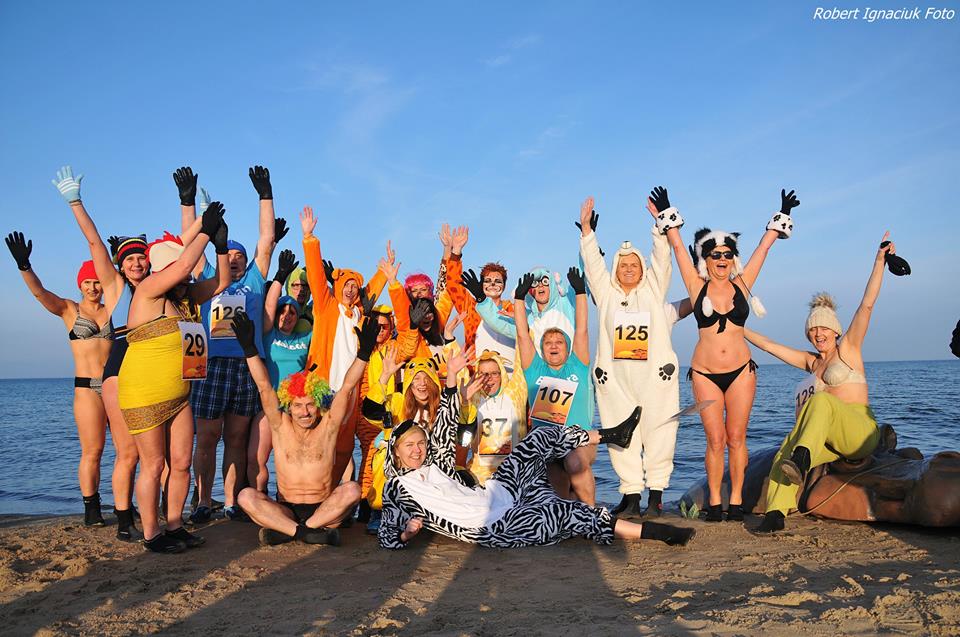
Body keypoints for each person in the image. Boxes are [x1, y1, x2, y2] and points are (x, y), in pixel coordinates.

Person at [379, 385, 695, 549]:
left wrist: (452, 384)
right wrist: (407, 534)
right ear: (395, 451)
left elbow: (446, 429)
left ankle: (611, 435)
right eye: (409, 446)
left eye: (420, 443)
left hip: (497, 491)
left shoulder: (435, 463)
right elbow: (387, 539)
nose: (417, 450)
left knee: (538, 438)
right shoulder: (397, 487)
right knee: (565, 512)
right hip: (493, 525)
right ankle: (658, 533)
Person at [654, 185, 798, 522]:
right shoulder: (696, 287)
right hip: (704, 373)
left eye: (727, 254)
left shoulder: (742, 285)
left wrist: (782, 216)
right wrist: (666, 212)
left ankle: (736, 502)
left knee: (736, 438)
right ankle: (716, 503)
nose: (721, 259)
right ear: (705, 259)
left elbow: (763, 249)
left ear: (733, 258)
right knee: (715, 440)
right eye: (715, 255)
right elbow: (678, 247)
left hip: (741, 372)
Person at [745, 233, 899, 532]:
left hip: (859, 432)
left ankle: (802, 459)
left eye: (824, 328)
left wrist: (879, 262)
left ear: (835, 331)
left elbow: (866, 305)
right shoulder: (811, 362)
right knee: (787, 447)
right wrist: (735, 325)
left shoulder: (849, 349)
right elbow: (768, 345)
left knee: (821, 400)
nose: (818, 334)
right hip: (828, 440)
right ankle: (776, 513)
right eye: (813, 330)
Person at [118, 202, 230, 553]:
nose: (186, 279)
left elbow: (223, 282)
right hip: (144, 392)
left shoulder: (187, 299)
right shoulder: (149, 290)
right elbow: (183, 264)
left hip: (179, 394)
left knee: (181, 463)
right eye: (180, 275)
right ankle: (152, 533)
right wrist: (204, 231)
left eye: (187, 278)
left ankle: (175, 524)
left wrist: (220, 247)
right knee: (153, 465)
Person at [52, 165, 147, 540]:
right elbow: (94, 245)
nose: (136, 263)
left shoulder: (156, 288)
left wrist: (198, 221)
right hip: (116, 378)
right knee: (127, 453)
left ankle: (144, 510)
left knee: (146, 455)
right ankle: (118, 517)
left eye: (141, 257)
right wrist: (75, 202)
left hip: (148, 376)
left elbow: (186, 262)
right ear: (120, 265)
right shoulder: (117, 290)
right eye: (129, 259)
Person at [177, 166, 276, 523]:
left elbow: (266, 239)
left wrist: (265, 195)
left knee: (236, 438)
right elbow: (188, 247)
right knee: (206, 437)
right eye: (228, 255)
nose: (233, 260)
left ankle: (232, 502)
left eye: (239, 257)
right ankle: (203, 501)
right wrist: (188, 203)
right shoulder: (208, 276)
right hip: (212, 365)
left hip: (248, 366)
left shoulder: (255, 278)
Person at [578, 195, 686, 518]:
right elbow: (593, 267)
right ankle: (630, 494)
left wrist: (659, 226)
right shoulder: (606, 295)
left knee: (660, 431)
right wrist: (587, 231)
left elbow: (662, 260)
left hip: (655, 378)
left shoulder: (653, 290)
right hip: (616, 380)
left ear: (642, 268)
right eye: (623, 265)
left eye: (634, 265)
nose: (628, 269)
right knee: (619, 432)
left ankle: (656, 496)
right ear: (616, 269)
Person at [234, 309, 380, 545]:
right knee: (245, 497)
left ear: (319, 405)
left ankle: (290, 531)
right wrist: (249, 349)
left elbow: (346, 387)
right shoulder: (279, 425)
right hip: (286, 508)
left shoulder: (328, 426)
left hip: (324, 508)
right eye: (298, 406)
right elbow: (263, 386)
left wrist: (363, 353)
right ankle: (306, 532)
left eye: (310, 405)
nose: (305, 412)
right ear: (288, 407)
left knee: (352, 490)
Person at [5, 232, 113, 527]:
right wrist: (25, 266)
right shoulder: (69, 310)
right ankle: (92, 508)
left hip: (115, 386)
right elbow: (40, 293)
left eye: (97, 282)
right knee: (92, 451)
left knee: (129, 452)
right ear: (80, 284)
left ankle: (125, 505)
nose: (93, 287)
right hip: (87, 390)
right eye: (87, 282)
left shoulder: (115, 310)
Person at [300, 205, 392, 483]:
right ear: (337, 287)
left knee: (343, 446)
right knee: (318, 442)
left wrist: (384, 273)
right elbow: (316, 277)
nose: (350, 289)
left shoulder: (360, 314)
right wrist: (309, 239)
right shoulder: (325, 306)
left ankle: (334, 492)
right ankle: (311, 491)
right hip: (323, 386)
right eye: (346, 285)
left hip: (350, 390)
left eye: (354, 285)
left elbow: (371, 293)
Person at [515, 268, 599, 505]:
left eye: (559, 342)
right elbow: (522, 335)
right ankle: (565, 510)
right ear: (541, 350)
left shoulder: (577, 365)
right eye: (548, 342)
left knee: (573, 461)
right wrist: (519, 299)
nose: (553, 346)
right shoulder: (535, 370)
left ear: (568, 346)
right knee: (554, 482)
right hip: (548, 445)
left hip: (580, 442)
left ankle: (591, 513)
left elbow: (582, 328)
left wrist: (580, 292)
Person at [246, 248, 313, 493]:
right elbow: (268, 307)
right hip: (270, 405)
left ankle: (290, 499)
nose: (287, 315)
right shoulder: (267, 334)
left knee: (295, 459)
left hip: (296, 408)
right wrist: (280, 275)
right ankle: (259, 499)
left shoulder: (306, 337)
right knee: (256, 457)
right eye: (282, 311)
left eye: (292, 312)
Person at [443, 224, 516, 365]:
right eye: (487, 281)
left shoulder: (512, 309)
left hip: (508, 371)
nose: (492, 284)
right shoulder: (471, 307)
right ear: (481, 285)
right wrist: (456, 252)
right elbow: (453, 285)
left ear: (504, 285)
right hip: (476, 369)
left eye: (497, 281)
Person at [462, 350, 528, 485]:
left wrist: (523, 334)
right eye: (483, 374)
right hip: (480, 476)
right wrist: (449, 340)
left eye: (494, 373)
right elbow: (459, 376)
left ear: (502, 374)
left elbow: (522, 357)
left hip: (515, 473)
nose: (488, 378)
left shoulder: (515, 394)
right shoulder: (472, 398)